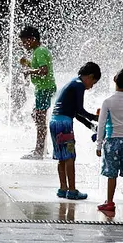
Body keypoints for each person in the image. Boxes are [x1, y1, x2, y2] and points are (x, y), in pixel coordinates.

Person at [49, 62, 101, 200]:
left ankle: (62, 188)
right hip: (65, 125)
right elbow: (80, 110)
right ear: (90, 76)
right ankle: (72, 190)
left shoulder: (72, 82)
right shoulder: (79, 85)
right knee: (70, 156)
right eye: (93, 83)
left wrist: (91, 126)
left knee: (61, 157)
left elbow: (76, 114)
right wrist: (95, 117)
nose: (91, 87)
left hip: (54, 123)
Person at [96, 67, 123, 213]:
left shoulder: (108, 102)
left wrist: (98, 144)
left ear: (115, 80)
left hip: (112, 142)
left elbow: (101, 124)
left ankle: (110, 202)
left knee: (111, 173)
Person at [19, 26, 57, 160]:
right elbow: (40, 68)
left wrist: (28, 71)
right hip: (44, 88)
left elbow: (43, 70)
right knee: (37, 115)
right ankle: (43, 147)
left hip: (44, 89)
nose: (24, 45)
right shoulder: (39, 50)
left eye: (25, 42)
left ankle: (39, 151)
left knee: (40, 119)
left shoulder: (39, 51)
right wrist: (28, 64)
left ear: (32, 39)